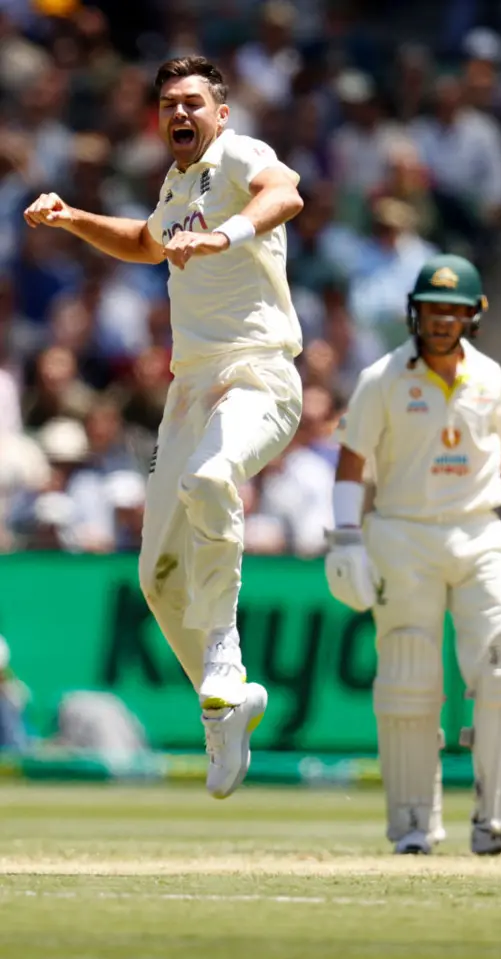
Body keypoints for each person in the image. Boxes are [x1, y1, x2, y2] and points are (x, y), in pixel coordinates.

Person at [24, 56, 304, 800]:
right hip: (190, 389)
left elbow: (287, 194)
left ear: (221, 111)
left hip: (258, 374)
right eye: (167, 105)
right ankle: (224, 705)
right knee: (157, 579)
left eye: (192, 102)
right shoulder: (176, 186)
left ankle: (224, 657)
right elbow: (148, 243)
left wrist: (227, 236)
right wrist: (72, 218)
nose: (178, 114)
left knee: (210, 478)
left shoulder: (240, 158)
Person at [325, 254, 501, 856]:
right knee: (409, 671)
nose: (440, 321)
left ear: (472, 317)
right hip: (403, 533)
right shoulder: (382, 378)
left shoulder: (490, 377)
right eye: (432, 309)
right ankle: (413, 824)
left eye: (452, 312)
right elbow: (352, 460)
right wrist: (346, 536)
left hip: (480, 530)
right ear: (415, 311)